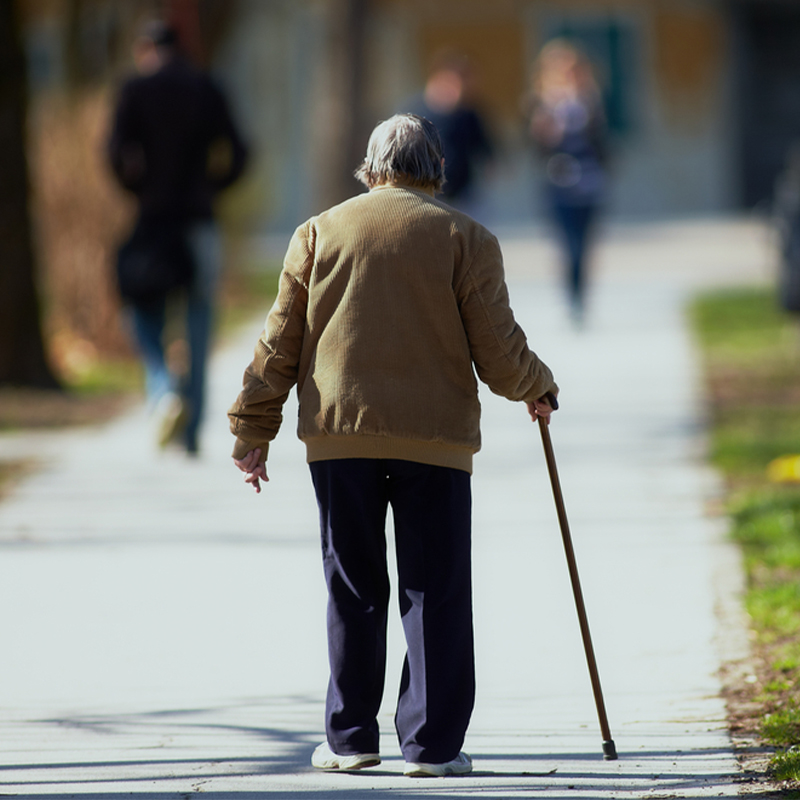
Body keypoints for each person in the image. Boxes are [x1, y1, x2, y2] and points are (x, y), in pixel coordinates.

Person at [228, 114, 558, 777]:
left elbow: (279, 343)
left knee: (352, 585)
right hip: (433, 440)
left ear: (370, 168)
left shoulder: (317, 233)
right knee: (433, 586)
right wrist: (537, 386)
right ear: (436, 169)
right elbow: (497, 347)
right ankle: (432, 746)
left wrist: (251, 428)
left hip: (338, 437)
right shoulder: (466, 237)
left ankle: (351, 739)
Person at [108, 20, 248, 455]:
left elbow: (114, 153)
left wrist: (137, 189)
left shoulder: (134, 89)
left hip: (152, 221)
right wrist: (212, 188)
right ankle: (189, 432)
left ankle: (164, 386)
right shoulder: (207, 88)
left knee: (138, 307)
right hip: (198, 221)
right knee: (199, 323)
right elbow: (240, 152)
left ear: (145, 48)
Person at [526, 39, 607, 323]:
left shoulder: (590, 101)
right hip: (557, 181)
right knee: (567, 243)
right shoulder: (541, 103)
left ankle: (580, 296)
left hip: (589, 181)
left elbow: (601, 142)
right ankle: (570, 298)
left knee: (584, 244)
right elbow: (535, 145)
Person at [403, 52, 493, 209]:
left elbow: (482, 144)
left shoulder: (468, 113)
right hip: (424, 192)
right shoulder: (414, 113)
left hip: (462, 192)